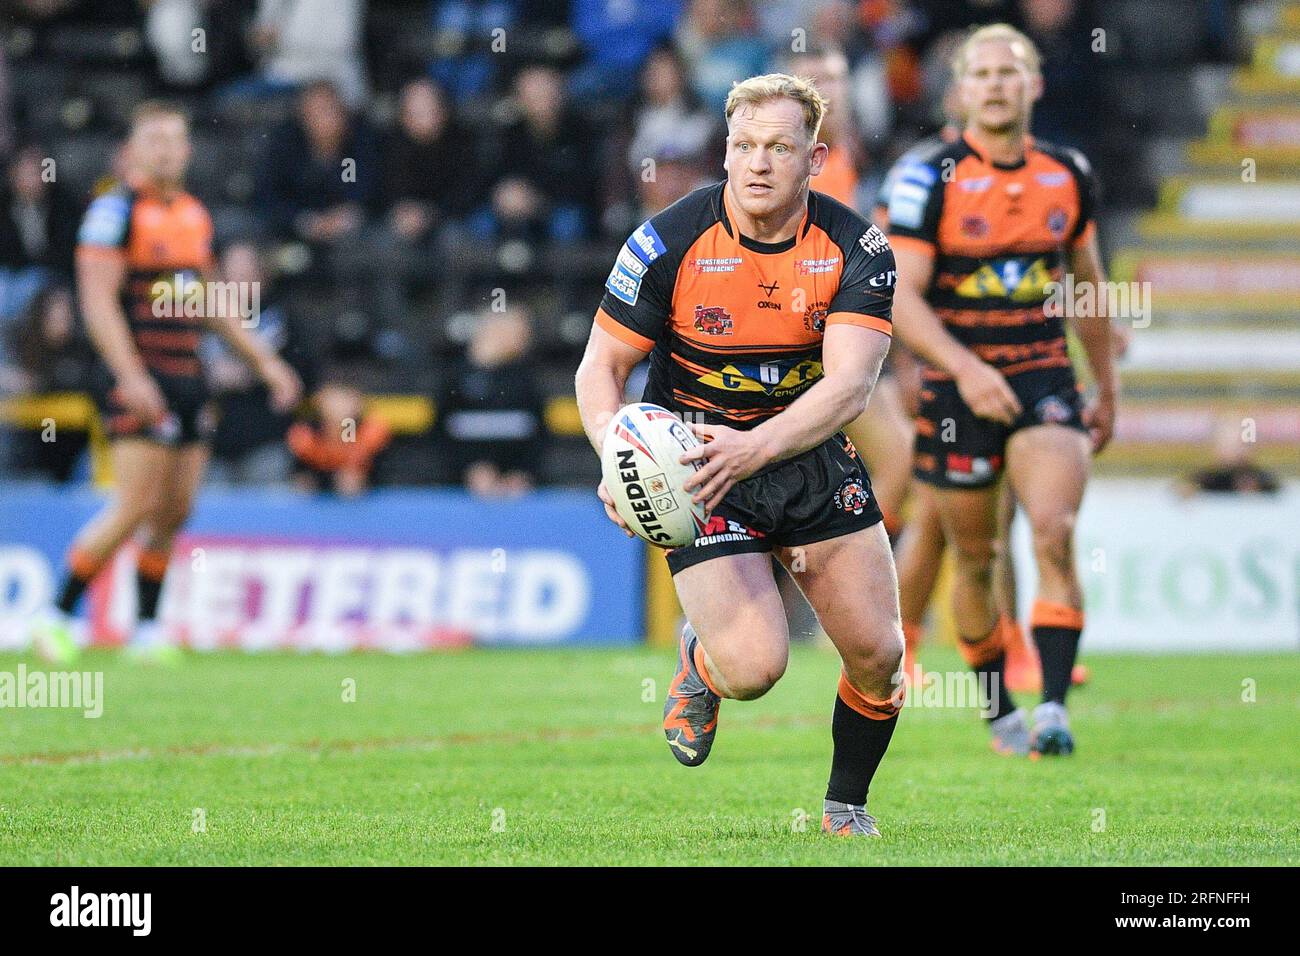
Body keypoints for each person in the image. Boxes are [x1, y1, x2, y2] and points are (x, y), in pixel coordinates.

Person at [576, 73, 903, 837]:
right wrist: (614, 454)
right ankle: (703, 663)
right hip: (696, 470)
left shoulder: (858, 247)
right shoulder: (667, 240)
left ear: (815, 159)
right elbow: (600, 368)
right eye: (744, 146)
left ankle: (844, 806)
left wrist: (755, 447)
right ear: (725, 151)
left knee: (879, 655)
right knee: (756, 669)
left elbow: (851, 387)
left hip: (803, 454)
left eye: (780, 148)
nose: (758, 164)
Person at [886, 25, 1118, 757]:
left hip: (1043, 372)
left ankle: (1051, 709)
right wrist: (963, 368)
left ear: (1034, 86)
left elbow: (1089, 286)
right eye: (980, 73)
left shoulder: (1068, 173)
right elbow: (903, 297)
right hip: (961, 387)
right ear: (961, 90)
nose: (994, 84)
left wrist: (1104, 387)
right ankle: (998, 711)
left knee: (1053, 530)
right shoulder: (928, 176)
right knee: (976, 555)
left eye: (1009, 72)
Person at [29, 101, 302, 663]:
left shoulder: (193, 216)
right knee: (134, 504)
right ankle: (56, 614)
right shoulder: (114, 210)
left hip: (187, 374)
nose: (165, 149)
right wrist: (130, 376)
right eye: (153, 139)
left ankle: (148, 627)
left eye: (175, 139)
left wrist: (263, 362)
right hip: (138, 374)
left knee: (176, 508)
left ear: (188, 150)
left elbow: (210, 300)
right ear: (132, 149)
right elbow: (97, 301)